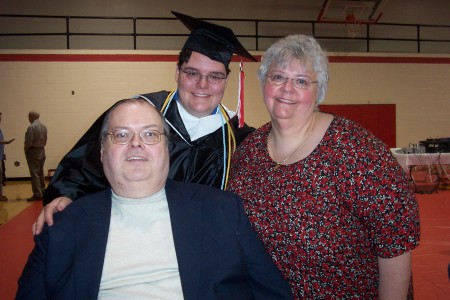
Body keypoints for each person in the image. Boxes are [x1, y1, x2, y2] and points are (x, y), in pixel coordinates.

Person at [16, 98, 293, 300]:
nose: (136, 143)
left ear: (167, 150)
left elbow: (273, 292)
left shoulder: (222, 210)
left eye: (150, 134)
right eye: (121, 135)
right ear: (101, 153)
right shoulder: (62, 226)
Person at [227, 35, 420, 299]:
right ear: (264, 82)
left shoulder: (357, 151)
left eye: (301, 81)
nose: (287, 89)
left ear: (320, 90)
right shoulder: (248, 154)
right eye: (278, 77)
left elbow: (395, 244)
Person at [34, 11, 255, 234]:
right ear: (177, 72)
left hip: (203, 250)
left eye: (215, 76)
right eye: (192, 73)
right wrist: (66, 196)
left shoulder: (240, 138)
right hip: (128, 236)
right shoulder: (136, 114)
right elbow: (82, 167)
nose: (203, 85)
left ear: (226, 80)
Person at [24, 111, 48, 202]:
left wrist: (26, 149)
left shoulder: (31, 127)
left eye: (28, 116)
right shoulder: (44, 127)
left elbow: (28, 141)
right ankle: (43, 191)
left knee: (34, 173)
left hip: (33, 151)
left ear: (31, 116)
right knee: (41, 172)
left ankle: (37, 194)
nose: (28, 118)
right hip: (42, 150)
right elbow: (45, 140)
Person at [0, 112, 15, 201]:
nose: (0, 120)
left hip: (1, 156)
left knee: (2, 176)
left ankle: (0, 194)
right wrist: (5, 142)